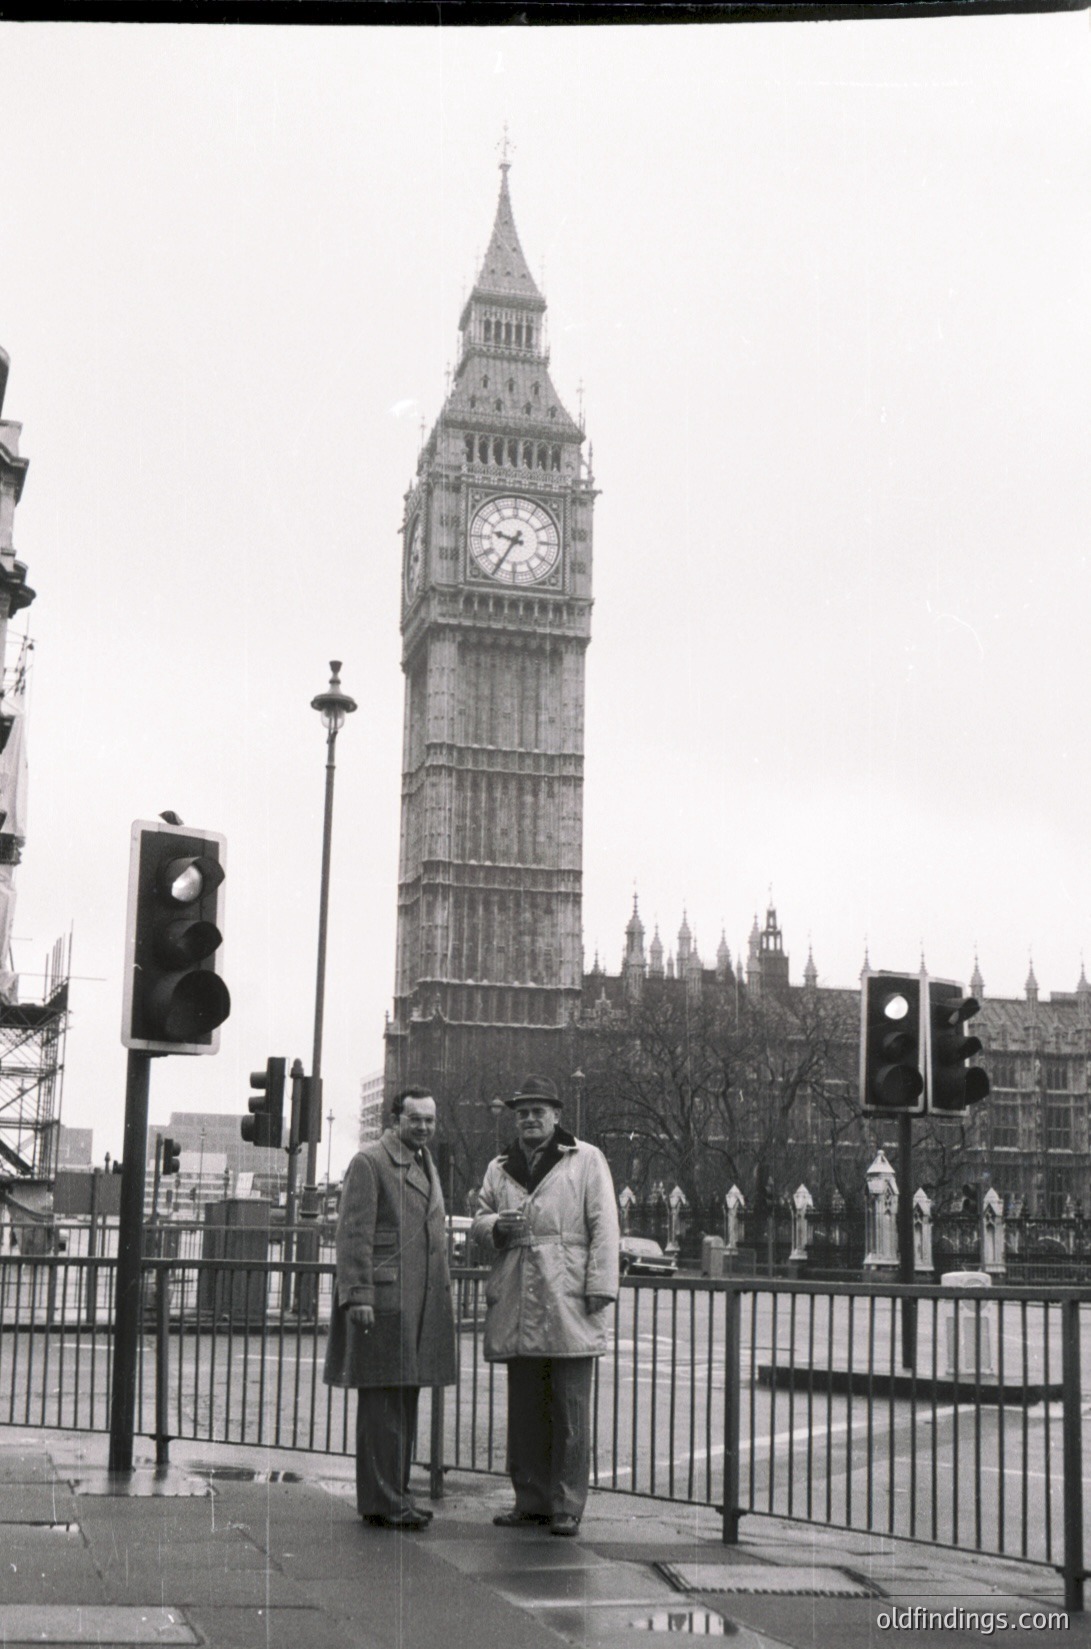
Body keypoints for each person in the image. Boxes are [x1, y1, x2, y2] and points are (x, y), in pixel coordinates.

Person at [471, 1073, 619, 1537]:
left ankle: (566, 1504)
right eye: (522, 1113)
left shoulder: (586, 1159)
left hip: (568, 1295)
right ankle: (530, 1498)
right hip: (519, 1294)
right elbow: (478, 1220)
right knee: (526, 1407)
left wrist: (601, 1286)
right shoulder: (499, 1168)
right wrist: (495, 1225)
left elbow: (604, 1226)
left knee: (570, 1408)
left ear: (556, 1116)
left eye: (538, 1111)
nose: (530, 1119)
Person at [323, 1086, 456, 1530]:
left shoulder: (421, 1162)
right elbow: (353, 1235)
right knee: (384, 1407)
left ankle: (394, 1496)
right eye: (415, 1119)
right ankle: (385, 1499)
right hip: (384, 1304)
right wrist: (358, 1295)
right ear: (394, 1118)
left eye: (430, 1120)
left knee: (401, 1403)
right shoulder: (370, 1162)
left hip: (413, 1305)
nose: (423, 1127)